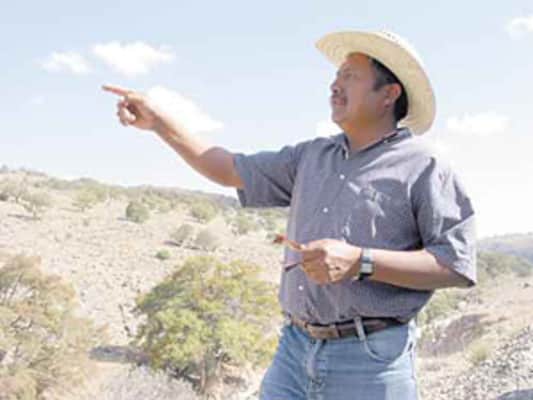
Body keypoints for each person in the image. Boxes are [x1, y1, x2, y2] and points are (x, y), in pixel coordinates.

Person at [103, 29, 477, 400]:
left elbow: (455, 264)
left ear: (389, 94)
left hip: (371, 362)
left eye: (349, 76)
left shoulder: (424, 166)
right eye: (336, 76)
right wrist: (158, 122)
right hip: (294, 351)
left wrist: (361, 262)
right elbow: (227, 168)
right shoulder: (310, 156)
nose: (334, 85)